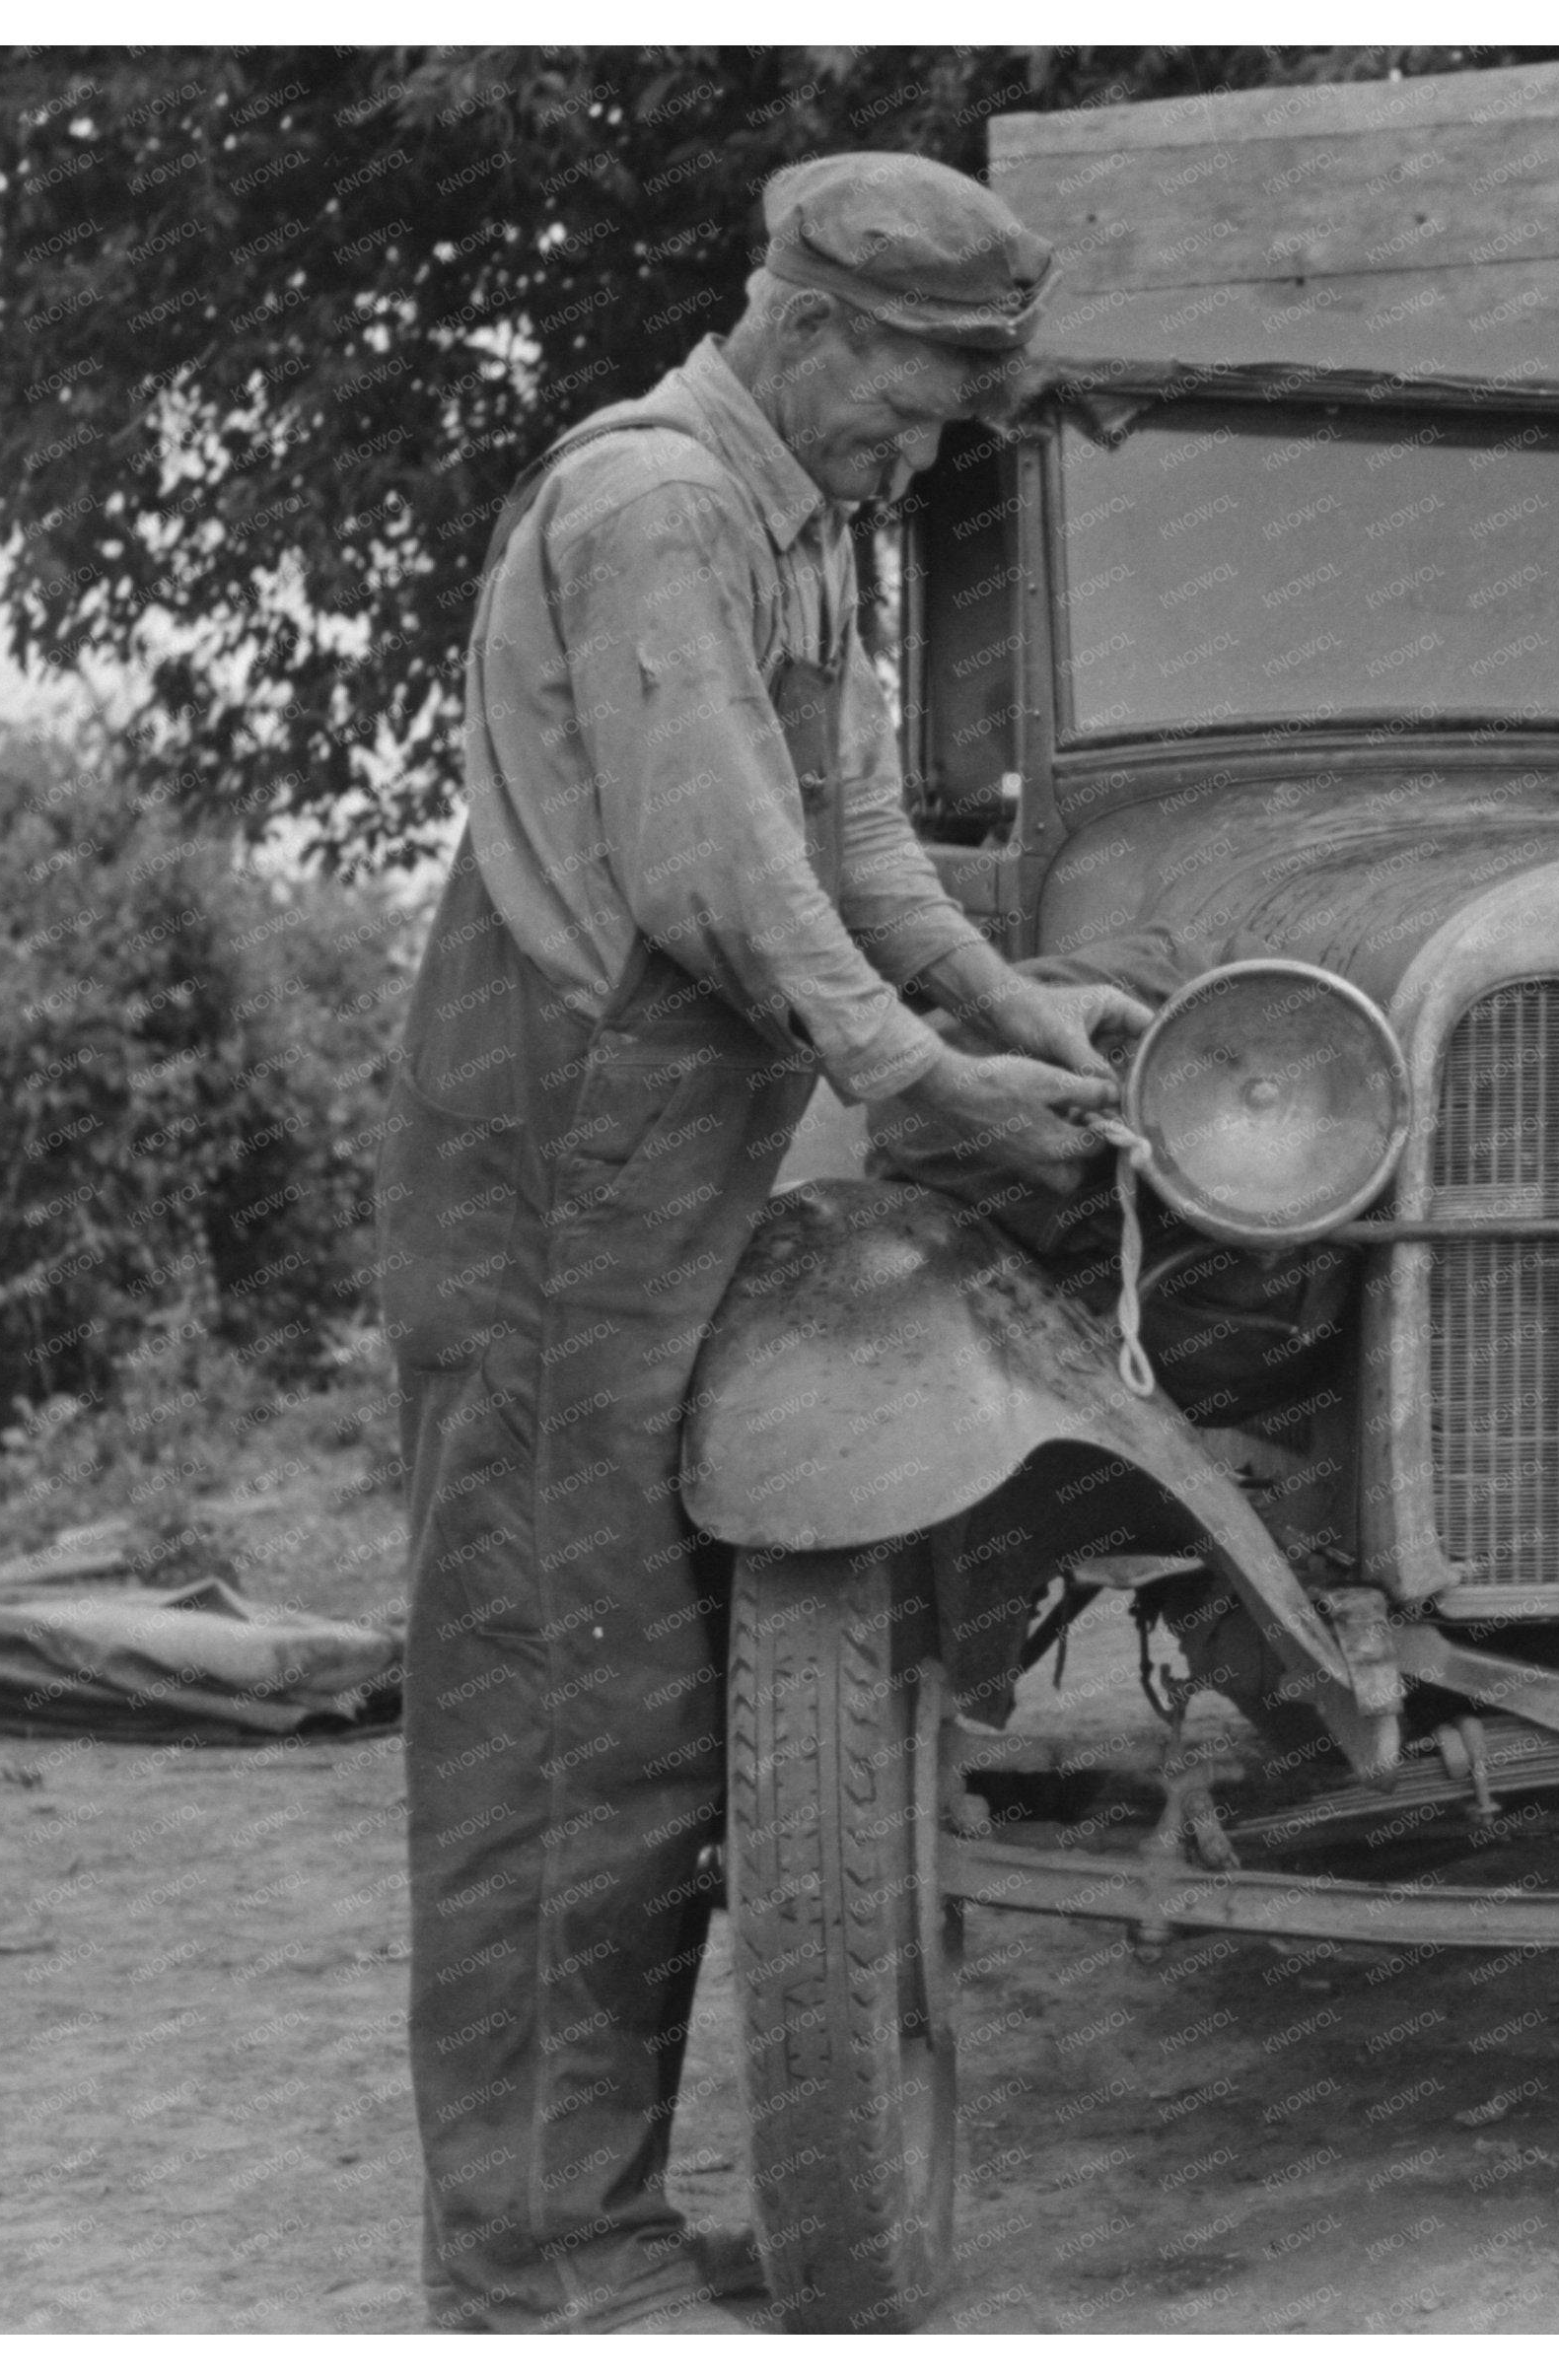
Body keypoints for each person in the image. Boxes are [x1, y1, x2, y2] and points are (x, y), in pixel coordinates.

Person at [375, 152, 1152, 2333]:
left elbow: (857, 838)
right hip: (550, 1166)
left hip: (656, 1163)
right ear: (805, 330)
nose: (922, 450)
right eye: (909, 398)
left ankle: (577, 2224)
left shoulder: (809, 524)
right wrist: (921, 1081)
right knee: (562, 1710)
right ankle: (537, 2264)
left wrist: (1010, 1002)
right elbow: (725, 878)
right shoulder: (660, 508)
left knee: (642, 1684)